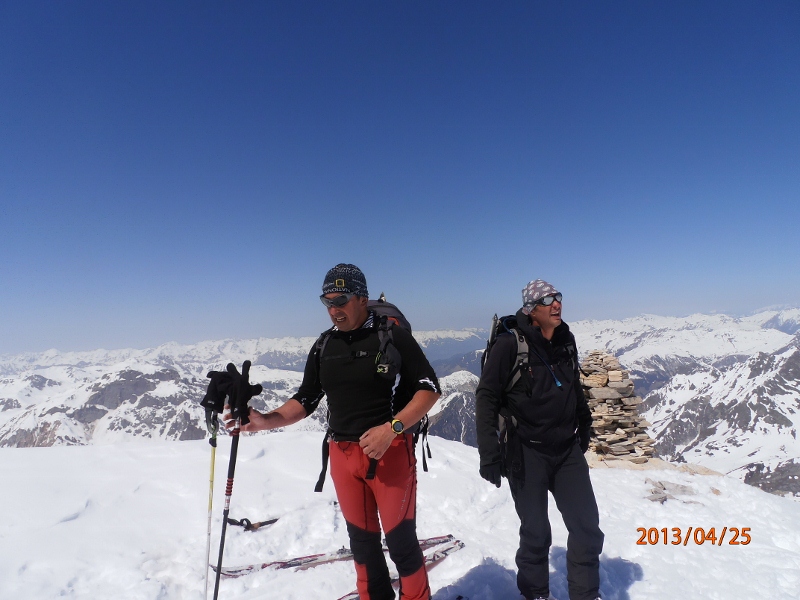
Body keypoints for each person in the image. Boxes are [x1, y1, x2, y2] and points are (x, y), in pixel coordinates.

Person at [228, 263, 441, 600]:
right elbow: (306, 398)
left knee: (400, 544)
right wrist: (265, 421)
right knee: (363, 546)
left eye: (340, 300)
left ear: (362, 298)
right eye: (326, 302)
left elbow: (429, 390)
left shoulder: (393, 337)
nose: (333, 310)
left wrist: (393, 428)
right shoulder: (324, 345)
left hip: (391, 453)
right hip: (343, 458)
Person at [475, 279, 603, 600]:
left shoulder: (566, 340)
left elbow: (572, 385)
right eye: (547, 300)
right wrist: (490, 452)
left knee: (587, 530)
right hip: (525, 451)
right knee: (536, 535)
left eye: (558, 297)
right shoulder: (510, 345)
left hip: (565, 450)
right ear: (532, 311)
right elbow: (487, 397)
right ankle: (536, 595)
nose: (556, 304)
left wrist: (584, 423)